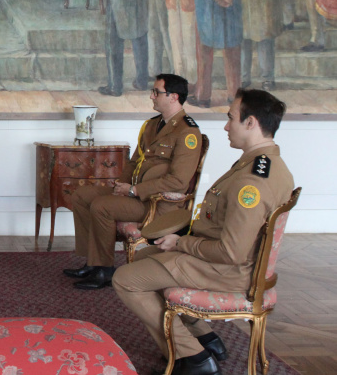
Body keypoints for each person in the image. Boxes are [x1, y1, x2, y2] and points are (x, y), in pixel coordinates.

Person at [114, 88, 294, 375]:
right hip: (223, 260)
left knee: (125, 279)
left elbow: (231, 253)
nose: (225, 126)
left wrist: (180, 244)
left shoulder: (252, 183)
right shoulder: (265, 165)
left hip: (228, 269)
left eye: (231, 118)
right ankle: (205, 336)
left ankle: (193, 358)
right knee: (146, 253)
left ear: (251, 123)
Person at [67, 73, 202, 289]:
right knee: (81, 196)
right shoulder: (151, 125)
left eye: (156, 92)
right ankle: (92, 262)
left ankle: (105, 270)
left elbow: (178, 181)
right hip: (135, 195)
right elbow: (133, 162)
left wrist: (134, 190)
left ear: (173, 97)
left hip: (159, 204)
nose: (152, 96)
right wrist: (121, 186)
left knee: (102, 206)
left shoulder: (188, 132)